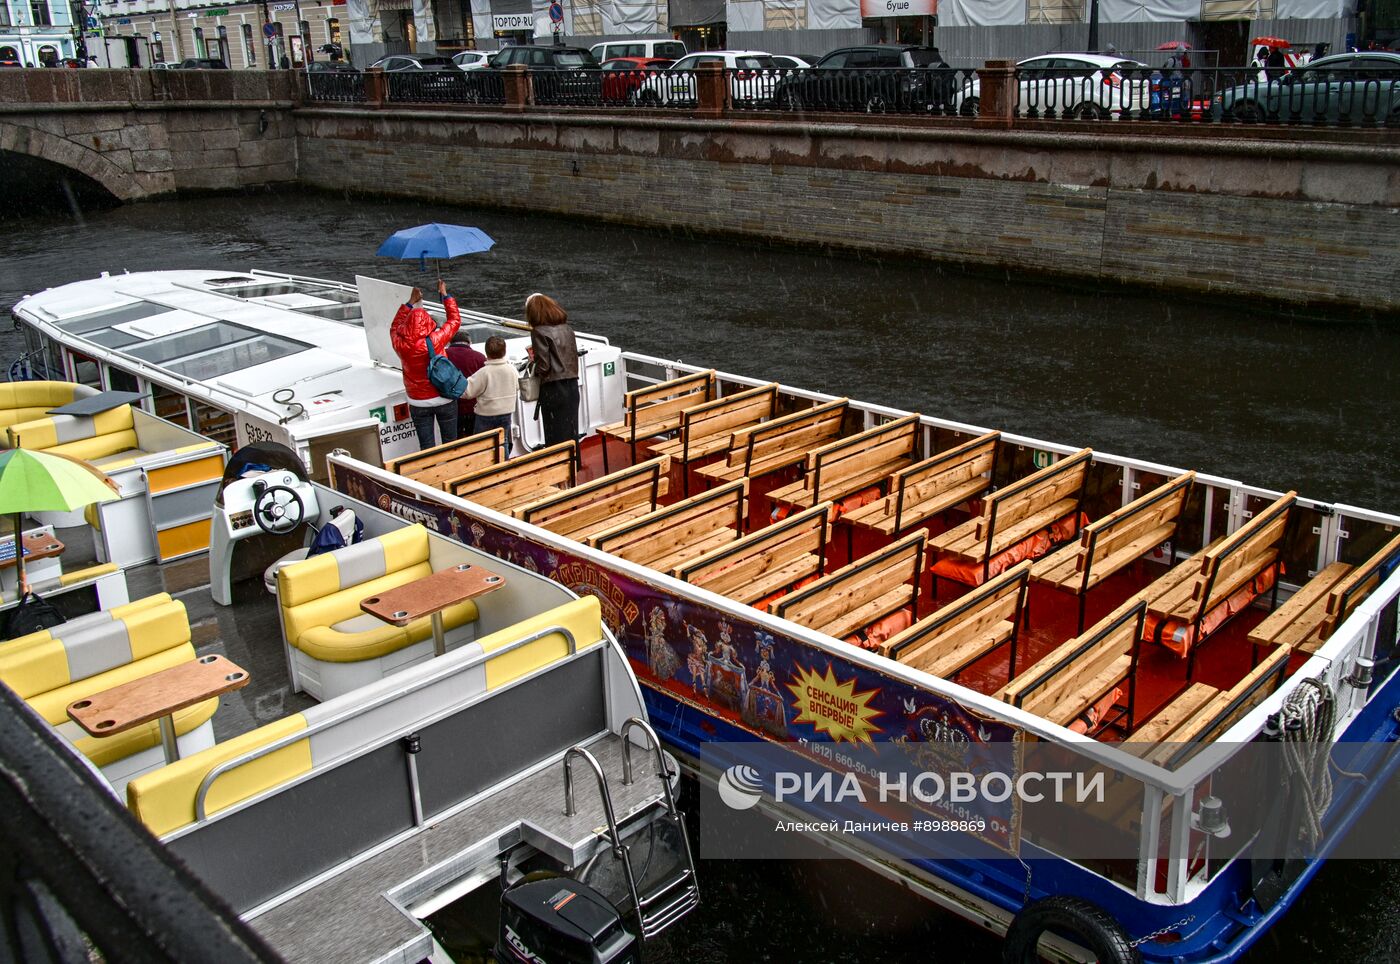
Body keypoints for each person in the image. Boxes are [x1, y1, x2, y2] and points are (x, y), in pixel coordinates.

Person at [390, 278, 461, 451]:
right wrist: (445, 295)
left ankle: (430, 474)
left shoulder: (400, 344)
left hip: (418, 402)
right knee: (451, 443)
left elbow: (394, 327)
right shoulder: (436, 339)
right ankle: (453, 472)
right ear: (428, 322)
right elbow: (454, 320)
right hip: (443, 396)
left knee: (427, 446)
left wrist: (409, 303)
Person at [525, 293, 580, 448]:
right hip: (572, 386)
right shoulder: (567, 329)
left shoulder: (538, 332)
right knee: (571, 431)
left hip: (553, 390)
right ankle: (573, 464)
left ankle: (559, 467)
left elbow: (544, 366)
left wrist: (532, 363)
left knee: (555, 434)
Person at [462, 336, 518, 449]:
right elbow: (517, 386)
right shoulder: (512, 369)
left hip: (485, 414)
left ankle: (485, 465)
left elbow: (468, 392)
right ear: (504, 352)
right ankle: (503, 465)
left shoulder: (483, 373)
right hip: (506, 412)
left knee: (482, 445)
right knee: (503, 442)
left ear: (487, 353)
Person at [446, 330, 485, 439]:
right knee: (475, 439)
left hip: (451, 406)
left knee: (454, 439)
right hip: (474, 406)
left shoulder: (443, 356)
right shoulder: (479, 357)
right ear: (469, 342)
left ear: (450, 342)